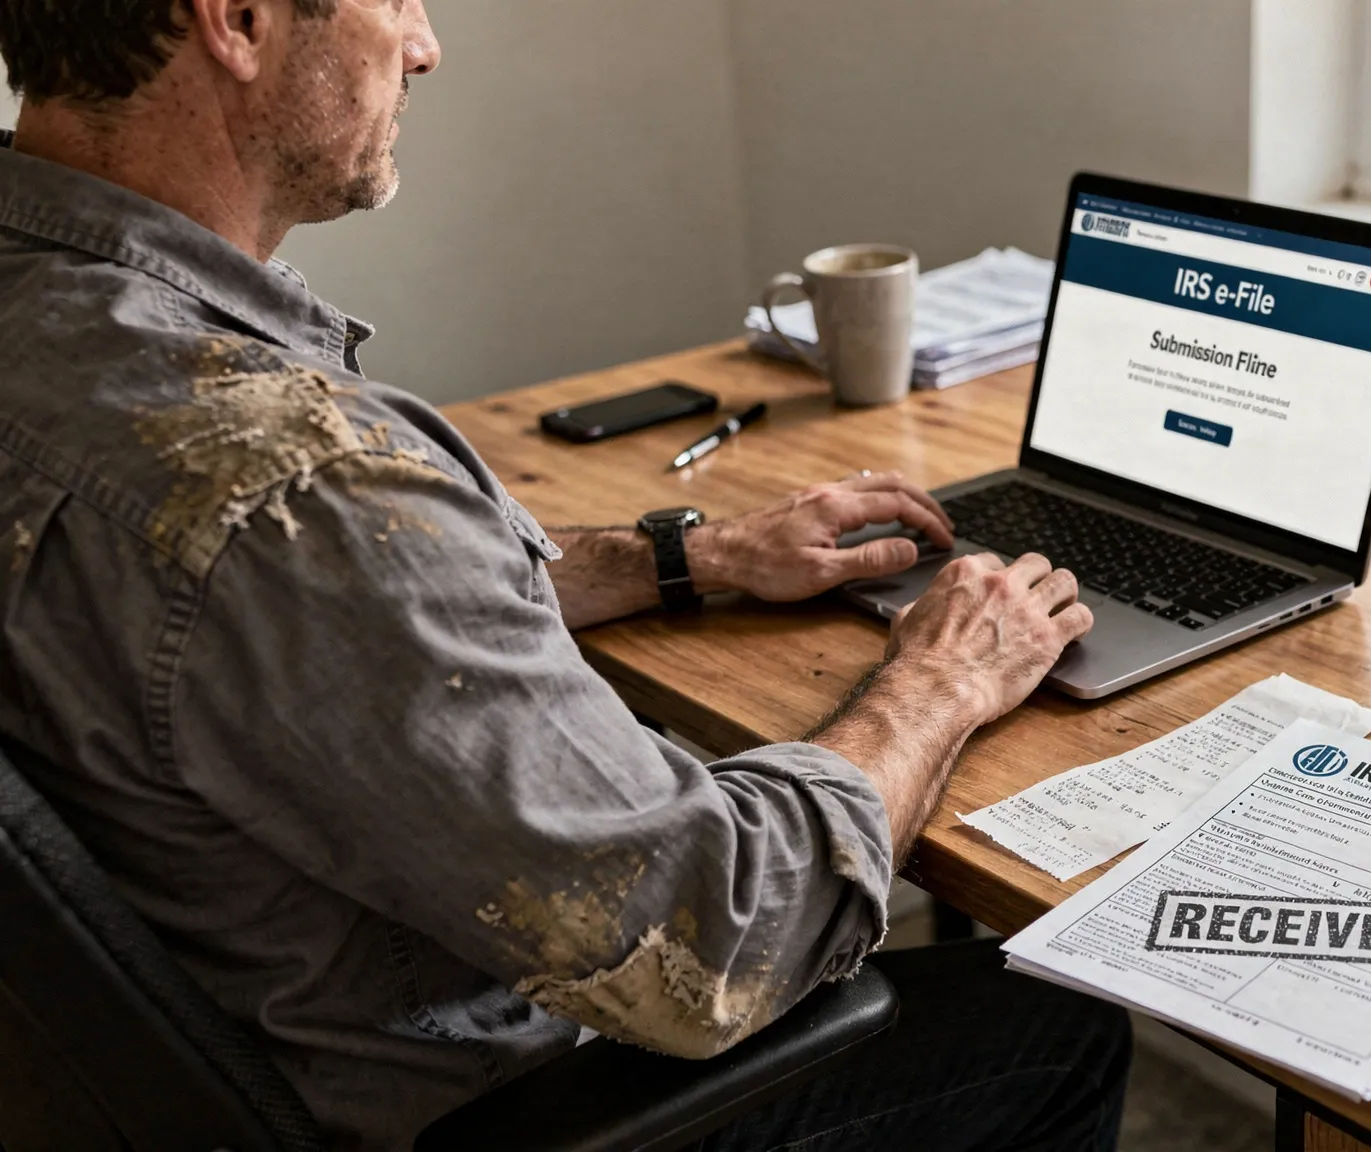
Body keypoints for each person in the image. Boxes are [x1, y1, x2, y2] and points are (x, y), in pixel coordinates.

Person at [0, 2, 1130, 1149]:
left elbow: (293, 625)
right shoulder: (303, 486)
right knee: (1056, 1022)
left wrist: (682, 557)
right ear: (237, 21)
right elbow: (716, 943)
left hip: (178, 1066)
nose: (425, 41)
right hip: (470, 1105)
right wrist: (937, 682)